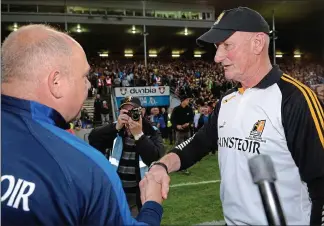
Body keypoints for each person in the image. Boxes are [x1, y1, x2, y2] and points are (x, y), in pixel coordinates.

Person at [146, 7, 324, 225]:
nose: (218, 57)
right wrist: (162, 165)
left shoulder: (294, 99)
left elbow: (320, 181)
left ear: (257, 43)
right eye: (216, 47)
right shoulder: (227, 101)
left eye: (226, 46)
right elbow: (198, 143)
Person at [2, 24, 163, 225]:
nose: (89, 85)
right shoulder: (84, 166)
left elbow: (155, 154)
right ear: (56, 82)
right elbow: (95, 139)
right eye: (84, 76)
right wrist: (153, 204)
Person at [88, 96, 165, 217]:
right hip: (114, 191)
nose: (130, 115)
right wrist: (115, 127)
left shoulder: (151, 131)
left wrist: (139, 135)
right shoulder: (116, 129)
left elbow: (155, 157)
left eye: (133, 111)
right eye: (126, 111)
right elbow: (93, 139)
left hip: (138, 194)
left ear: (142, 112)